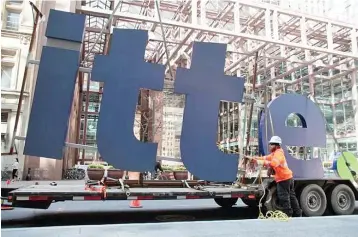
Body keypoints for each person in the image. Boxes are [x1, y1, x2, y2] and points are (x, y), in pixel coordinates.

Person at [245, 136, 302, 217]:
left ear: (276, 145)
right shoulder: (275, 153)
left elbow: (274, 163)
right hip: (287, 178)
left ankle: (288, 215)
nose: (269, 146)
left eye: (271, 144)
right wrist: (254, 158)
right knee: (291, 197)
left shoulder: (278, 154)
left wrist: (260, 162)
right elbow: (265, 157)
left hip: (284, 179)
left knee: (284, 197)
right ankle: (298, 214)